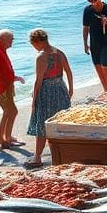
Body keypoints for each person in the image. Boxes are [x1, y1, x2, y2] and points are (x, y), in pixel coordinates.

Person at [26, 29, 74, 167]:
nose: (33, 46)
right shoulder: (59, 52)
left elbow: (38, 80)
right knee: (61, 122)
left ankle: (37, 157)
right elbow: (68, 72)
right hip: (60, 87)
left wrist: (34, 100)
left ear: (37, 41)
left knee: (42, 124)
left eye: (32, 43)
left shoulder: (41, 57)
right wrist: (70, 89)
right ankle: (64, 154)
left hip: (47, 91)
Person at [0, 29, 25, 149]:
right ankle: (5, 139)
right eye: (11, 39)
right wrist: (5, 86)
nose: (12, 41)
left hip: (6, 87)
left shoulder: (1, 50)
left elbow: (4, 71)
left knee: (10, 111)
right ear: (3, 40)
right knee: (10, 111)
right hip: (1, 89)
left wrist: (14, 78)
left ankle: (5, 137)